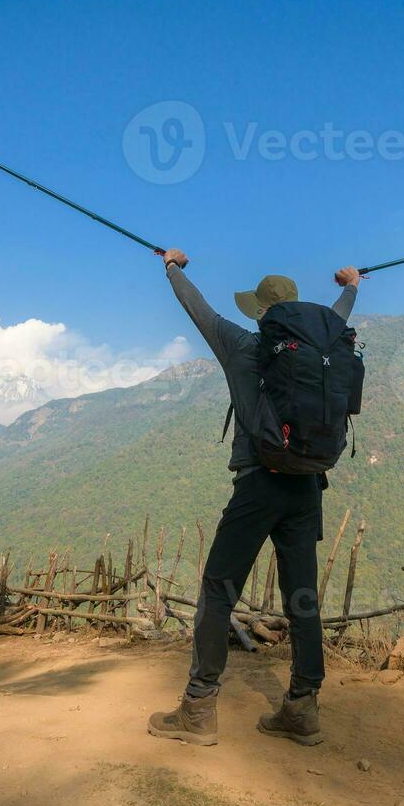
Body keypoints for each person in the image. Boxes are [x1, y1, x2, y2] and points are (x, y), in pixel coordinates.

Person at [148, 249, 361, 747]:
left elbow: (197, 308)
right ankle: (303, 709)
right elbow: (341, 314)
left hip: (258, 484)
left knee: (218, 591)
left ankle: (198, 710)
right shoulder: (324, 346)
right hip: (308, 487)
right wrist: (351, 285)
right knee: (302, 600)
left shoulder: (241, 346)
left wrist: (172, 267)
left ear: (260, 312)